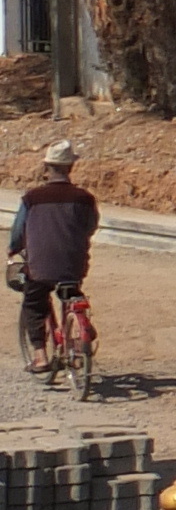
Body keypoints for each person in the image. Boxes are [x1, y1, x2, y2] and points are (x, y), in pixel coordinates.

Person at [12, 139, 97, 374]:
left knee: (34, 302)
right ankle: (82, 333)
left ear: (46, 168)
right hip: (74, 263)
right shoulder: (84, 198)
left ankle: (40, 357)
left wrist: (13, 250)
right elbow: (90, 226)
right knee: (70, 292)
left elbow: (18, 231)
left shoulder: (32, 198)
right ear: (70, 168)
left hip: (40, 266)